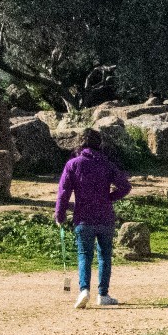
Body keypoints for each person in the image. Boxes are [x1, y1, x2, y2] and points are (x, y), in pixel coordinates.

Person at [54, 129, 132, 309]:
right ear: (99, 144)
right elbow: (125, 186)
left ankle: (84, 290)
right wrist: (109, 197)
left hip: (83, 217)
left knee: (84, 255)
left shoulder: (73, 164)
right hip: (105, 216)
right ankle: (103, 294)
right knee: (105, 255)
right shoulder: (107, 164)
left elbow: (63, 193)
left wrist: (60, 215)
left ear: (80, 144)